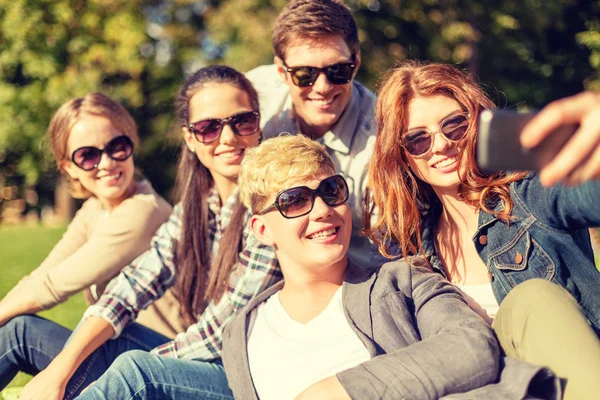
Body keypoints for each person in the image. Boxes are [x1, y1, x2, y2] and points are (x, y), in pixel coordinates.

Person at [10, 66, 280, 400]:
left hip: (242, 376)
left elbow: (218, 334)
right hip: (193, 358)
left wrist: (111, 374)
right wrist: (59, 370)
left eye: (242, 121)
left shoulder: (272, 207)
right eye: (209, 128)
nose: (228, 138)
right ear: (190, 139)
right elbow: (130, 288)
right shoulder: (195, 209)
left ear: (258, 126)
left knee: (134, 370)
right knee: (32, 333)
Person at [216, 135, 556, 400]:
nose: (322, 210)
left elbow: (470, 346)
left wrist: (338, 391)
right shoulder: (241, 333)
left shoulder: (402, 280)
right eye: (296, 201)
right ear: (262, 230)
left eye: (331, 191)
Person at [367, 60, 600, 400]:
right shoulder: (408, 250)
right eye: (418, 140)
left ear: (476, 123)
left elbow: (589, 195)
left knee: (533, 299)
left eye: (454, 125)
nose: (442, 145)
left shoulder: (530, 196)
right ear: (401, 155)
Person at [0, 93, 177, 385]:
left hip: (158, 365)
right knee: (16, 328)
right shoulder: (94, 209)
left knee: (21, 334)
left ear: (132, 145)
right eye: (88, 155)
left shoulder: (144, 211)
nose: (106, 163)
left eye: (117, 147)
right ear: (68, 167)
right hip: (119, 351)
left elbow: (55, 286)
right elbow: (44, 274)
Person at [246, 0, 385, 268]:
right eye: (304, 74)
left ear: (355, 63)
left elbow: (387, 253)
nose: (322, 87)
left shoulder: (383, 140)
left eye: (337, 71)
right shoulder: (252, 96)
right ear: (281, 72)